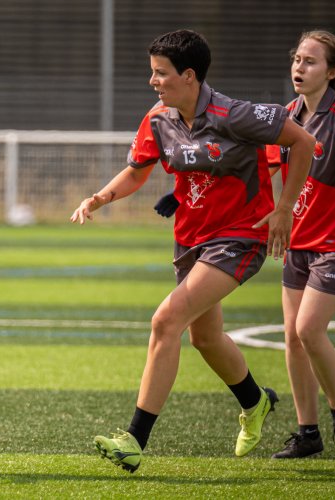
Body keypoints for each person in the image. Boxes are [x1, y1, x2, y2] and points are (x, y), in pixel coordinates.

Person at [70, 29, 315, 473]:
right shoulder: (159, 118)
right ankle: (255, 402)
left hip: (240, 237)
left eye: (160, 74)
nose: (153, 82)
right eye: (152, 73)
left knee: (166, 320)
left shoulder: (235, 114)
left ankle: (134, 439)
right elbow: (136, 171)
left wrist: (284, 209)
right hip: (191, 241)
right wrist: (100, 198)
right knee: (204, 337)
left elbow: (303, 142)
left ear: (189, 76)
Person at [265, 31, 335, 460]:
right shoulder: (288, 115)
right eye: (296, 58)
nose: (299, 66)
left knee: (309, 329)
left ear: (331, 71)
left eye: (310, 61)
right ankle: (307, 432)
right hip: (300, 242)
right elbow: (267, 173)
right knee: (292, 337)